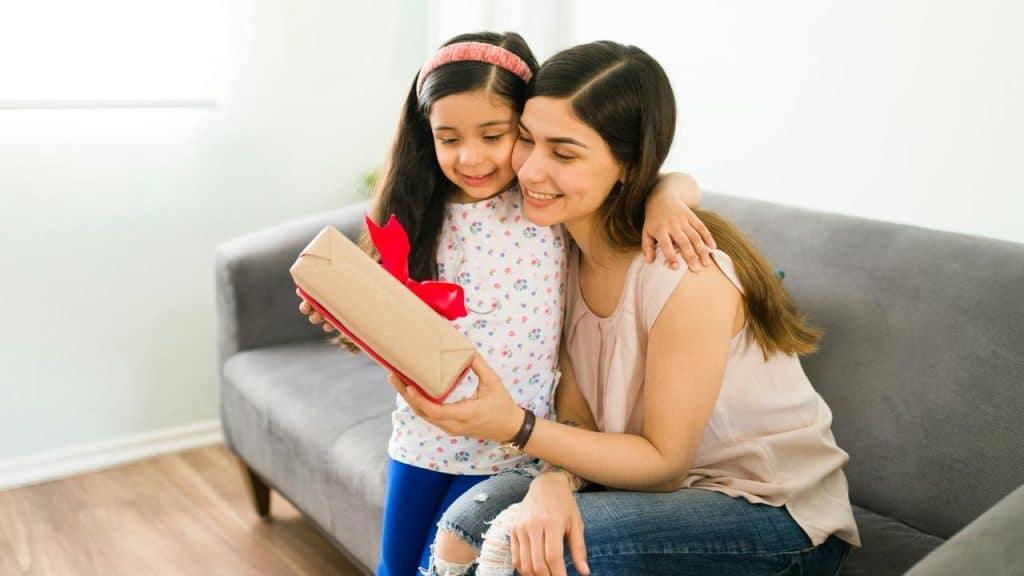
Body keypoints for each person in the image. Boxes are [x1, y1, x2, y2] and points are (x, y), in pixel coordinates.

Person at [395, 40, 861, 576]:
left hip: (772, 515)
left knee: (523, 552)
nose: (529, 170)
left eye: (564, 153)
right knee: (462, 527)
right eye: (526, 139)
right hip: (643, 480)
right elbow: (579, 413)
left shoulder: (685, 275)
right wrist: (552, 480)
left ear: (628, 165)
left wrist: (518, 427)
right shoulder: (561, 250)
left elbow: (664, 464)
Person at [297, 32, 713, 576]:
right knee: (394, 568)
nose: (471, 157)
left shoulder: (543, 202)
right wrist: (350, 313)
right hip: (422, 438)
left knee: (445, 568)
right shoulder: (419, 210)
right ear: (428, 137)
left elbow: (663, 177)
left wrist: (666, 199)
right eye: (448, 138)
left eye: (494, 135)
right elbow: (399, 322)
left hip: (509, 449)